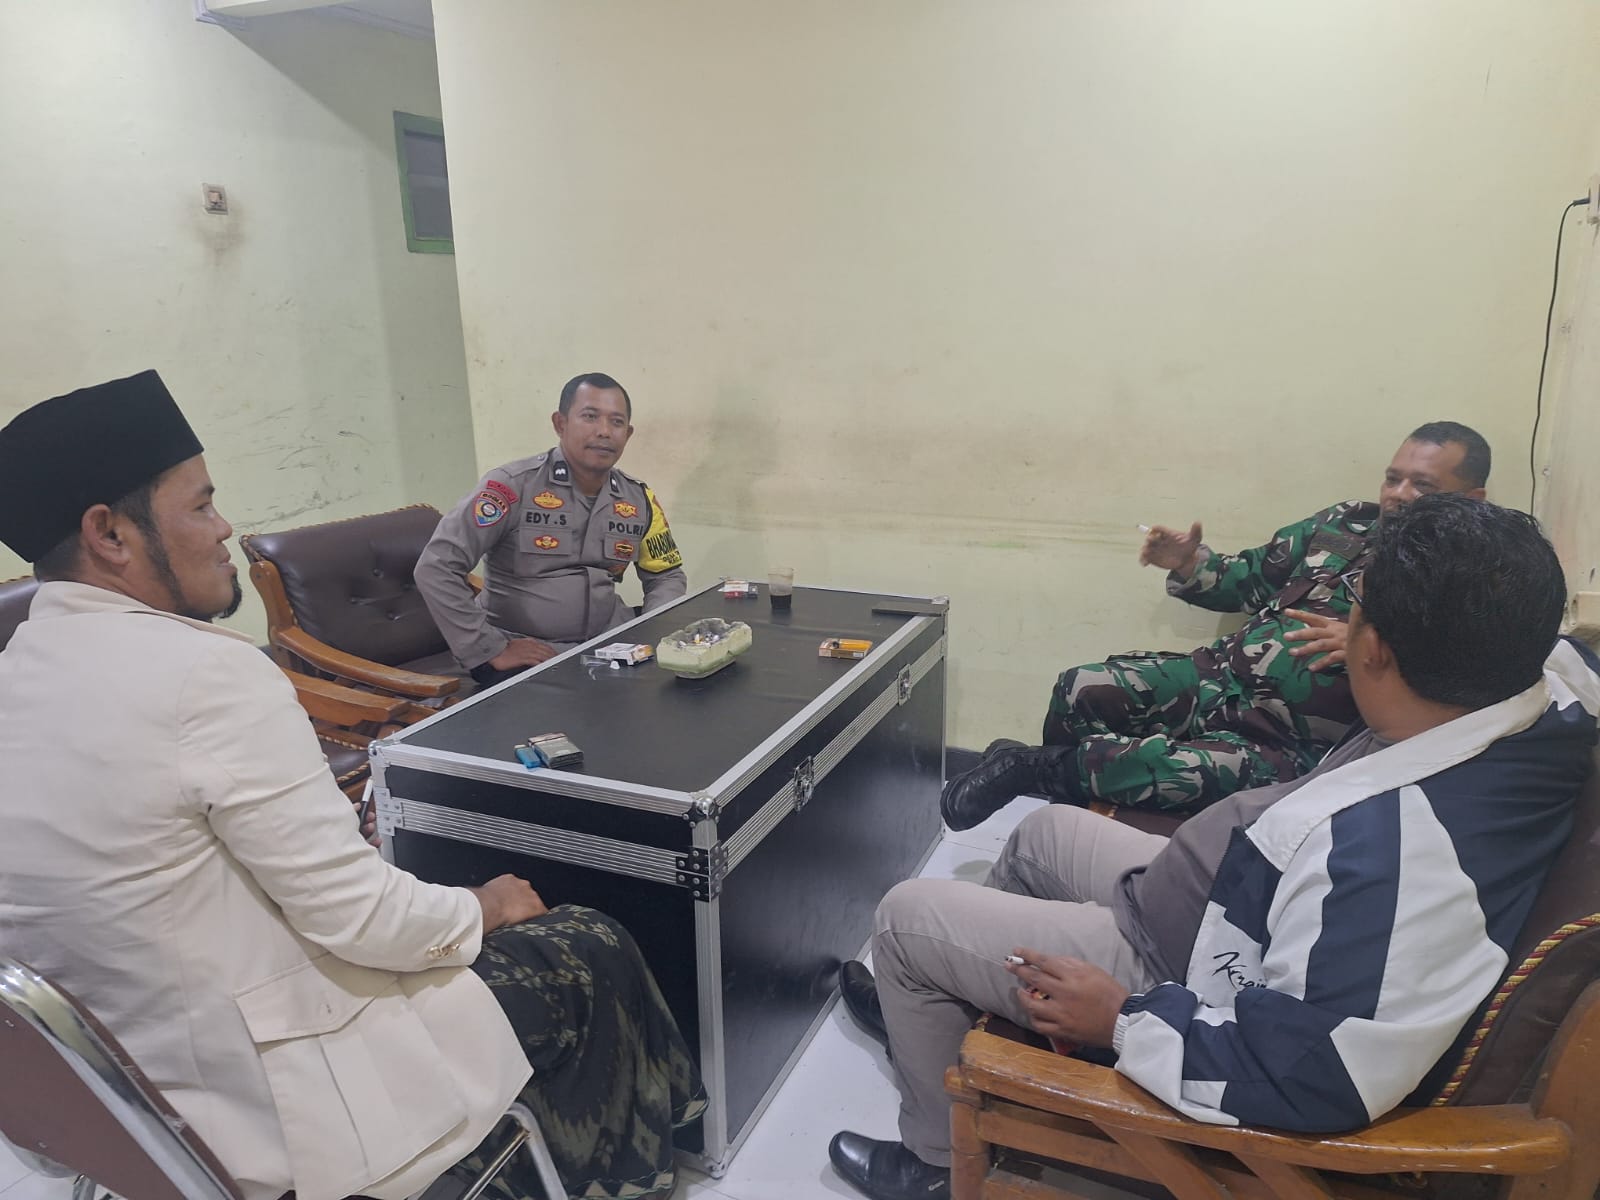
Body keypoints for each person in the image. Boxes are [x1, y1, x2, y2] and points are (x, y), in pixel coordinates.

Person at [0, 372, 703, 1200]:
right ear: (109, 534)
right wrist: (485, 904)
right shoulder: (209, 674)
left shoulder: (17, 670)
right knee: (590, 942)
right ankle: (612, 1176)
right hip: (271, 1098)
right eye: (202, 505)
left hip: (111, 1110)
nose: (225, 529)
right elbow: (365, 922)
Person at [828, 493, 1599, 1200]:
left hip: (1178, 971)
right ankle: (958, 1024)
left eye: (1353, 610)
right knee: (1038, 833)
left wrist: (1122, 1020)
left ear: (1373, 651)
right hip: (1224, 898)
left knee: (905, 922)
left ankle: (937, 1166)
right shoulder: (1532, 694)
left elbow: (1315, 1075)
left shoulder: (1401, 861)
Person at [940, 421, 1491, 829]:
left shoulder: (1474, 576)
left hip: (1287, 738)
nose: (1397, 496)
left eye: (1422, 486)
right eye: (1393, 478)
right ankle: (1063, 827)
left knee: (1159, 766)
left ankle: (1030, 768)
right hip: (1217, 678)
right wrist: (1189, 563)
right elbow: (1248, 578)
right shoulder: (1346, 521)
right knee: (1082, 687)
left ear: (1472, 500)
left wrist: (1372, 647)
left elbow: (1461, 682)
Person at [416, 372, 687, 686]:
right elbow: (436, 567)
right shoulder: (511, 486)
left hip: (609, 643)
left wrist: (652, 630)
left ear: (628, 434)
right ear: (561, 423)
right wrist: (488, 648)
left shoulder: (637, 498)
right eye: (590, 416)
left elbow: (667, 575)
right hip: (531, 655)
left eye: (616, 422)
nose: (604, 431)